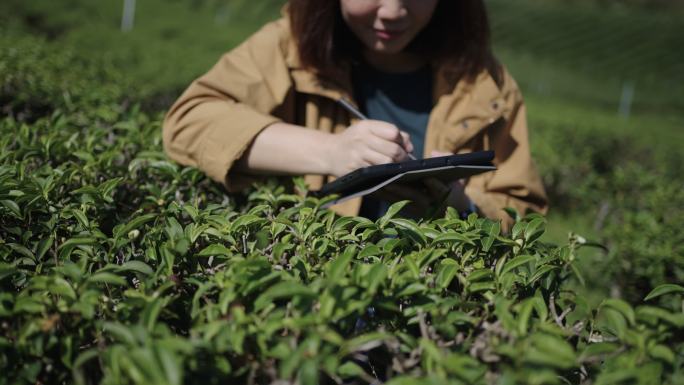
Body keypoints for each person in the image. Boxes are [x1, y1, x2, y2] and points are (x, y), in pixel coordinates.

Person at [163, 0, 548, 229]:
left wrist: (461, 206)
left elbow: (523, 212)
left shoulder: (484, 84)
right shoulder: (288, 46)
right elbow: (191, 121)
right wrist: (330, 151)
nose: (393, 11)